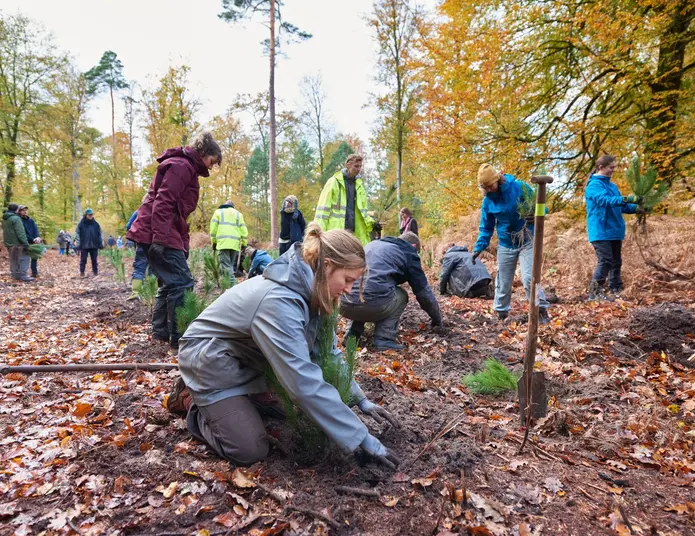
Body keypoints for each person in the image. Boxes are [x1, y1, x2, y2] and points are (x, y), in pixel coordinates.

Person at [166, 224, 400, 468]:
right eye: (348, 279)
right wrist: (360, 437)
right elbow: (301, 381)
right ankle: (190, 400)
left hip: (247, 360)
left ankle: (246, 398)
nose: (349, 289)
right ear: (328, 265)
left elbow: (329, 355)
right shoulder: (280, 302)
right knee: (249, 449)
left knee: (287, 416)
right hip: (210, 362)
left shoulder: (316, 293)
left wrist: (359, 398)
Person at [126, 131, 222, 349]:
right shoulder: (182, 167)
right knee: (183, 282)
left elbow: (179, 214)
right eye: (212, 161)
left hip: (161, 232)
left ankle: (160, 335)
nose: (211, 167)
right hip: (157, 232)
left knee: (170, 284)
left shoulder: (186, 168)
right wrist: (159, 240)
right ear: (204, 153)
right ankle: (180, 337)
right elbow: (163, 202)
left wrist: (182, 244)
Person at [472, 164, 550, 323]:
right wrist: (479, 247)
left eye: (490, 185)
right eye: (485, 187)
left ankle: (540, 310)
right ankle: (501, 314)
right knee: (503, 281)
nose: (489, 189)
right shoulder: (488, 201)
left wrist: (536, 215)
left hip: (527, 240)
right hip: (506, 243)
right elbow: (486, 227)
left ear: (498, 180)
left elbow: (541, 205)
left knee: (529, 278)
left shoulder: (519, 187)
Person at [340, 231, 442, 351]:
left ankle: (352, 334)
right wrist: (437, 319)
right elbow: (424, 294)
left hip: (344, 303)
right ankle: (384, 338)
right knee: (401, 295)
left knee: (363, 287)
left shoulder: (373, 244)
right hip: (371, 304)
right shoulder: (408, 252)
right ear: (413, 246)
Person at [585, 155, 641, 300]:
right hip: (601, 230)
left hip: (615, 230)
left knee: (616, 261)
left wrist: (637, 208)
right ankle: (594, 293)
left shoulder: (612, 186)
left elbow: (620, 206)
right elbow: (604, 201)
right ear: (601, 167)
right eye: (611, 168)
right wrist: (626, 198)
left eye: (614, 168)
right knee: (606, 261)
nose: (613, 170)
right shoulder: (594, 185)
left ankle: (615, 289)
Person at [315, 154, 380, 245]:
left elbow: (362, 214)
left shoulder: (359, 186)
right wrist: (318, 234)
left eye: (360, 166)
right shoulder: (333, 182)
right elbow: (322, 212)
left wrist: (372, 225)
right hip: (335, 234)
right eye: (356, 166)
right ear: (348, 165)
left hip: (354, 235)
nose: (358, 169)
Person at [209, 200, 247, 283]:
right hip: (234, 244)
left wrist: (214, 242)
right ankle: (228, 284)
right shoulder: (238, 214)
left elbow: (213, 229)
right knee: (230, 266)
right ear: (232, 206)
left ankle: (232, 286)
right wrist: (244, 243)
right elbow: (243, 230)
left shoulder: (218, 212)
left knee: (226, 267)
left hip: (223, 243)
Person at [126, 198, 150, 301]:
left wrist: (134, 237)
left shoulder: (139, 212)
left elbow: (128, 226)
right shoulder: (158, 211)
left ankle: (136, 292)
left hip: (141, 243)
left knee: (139, 267)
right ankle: (151, 292)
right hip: (156, 244)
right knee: (153, 268)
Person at [2, 203, 32, 281]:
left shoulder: (5, 218)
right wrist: (25, 243)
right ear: (17, 210)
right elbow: (20, 233)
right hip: (17, 243)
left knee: (13, 259)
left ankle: (15, 275)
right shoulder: (16, 218)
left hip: (8, 243)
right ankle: (23, 276)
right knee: (24, 257)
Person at [75, 208, 104, 277]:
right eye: (89, 215)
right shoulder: (81, 224)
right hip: (84, 245)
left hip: (94, 245)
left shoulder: (96, 224)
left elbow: (100, 234)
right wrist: (78, 244)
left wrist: (101, 244)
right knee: (83, 260)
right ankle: (82, 273)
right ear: (86, 215)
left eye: (91, 214)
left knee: (94, 260)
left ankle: (95, 272)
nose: (91, 216)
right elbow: (77, 234)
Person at [18, 205, 41, 278]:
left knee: (34, 257)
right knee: (24, 258)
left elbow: (35, 229)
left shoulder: (30, 220)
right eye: (23, 210)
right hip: (24, 241)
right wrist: (32, 239)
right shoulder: (19, 221)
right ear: (19, 211)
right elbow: (22, 233)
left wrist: (37, 237)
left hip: (34, 241)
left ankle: (34, 272)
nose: (25, 211)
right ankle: (22, 274)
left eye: (26, 210)